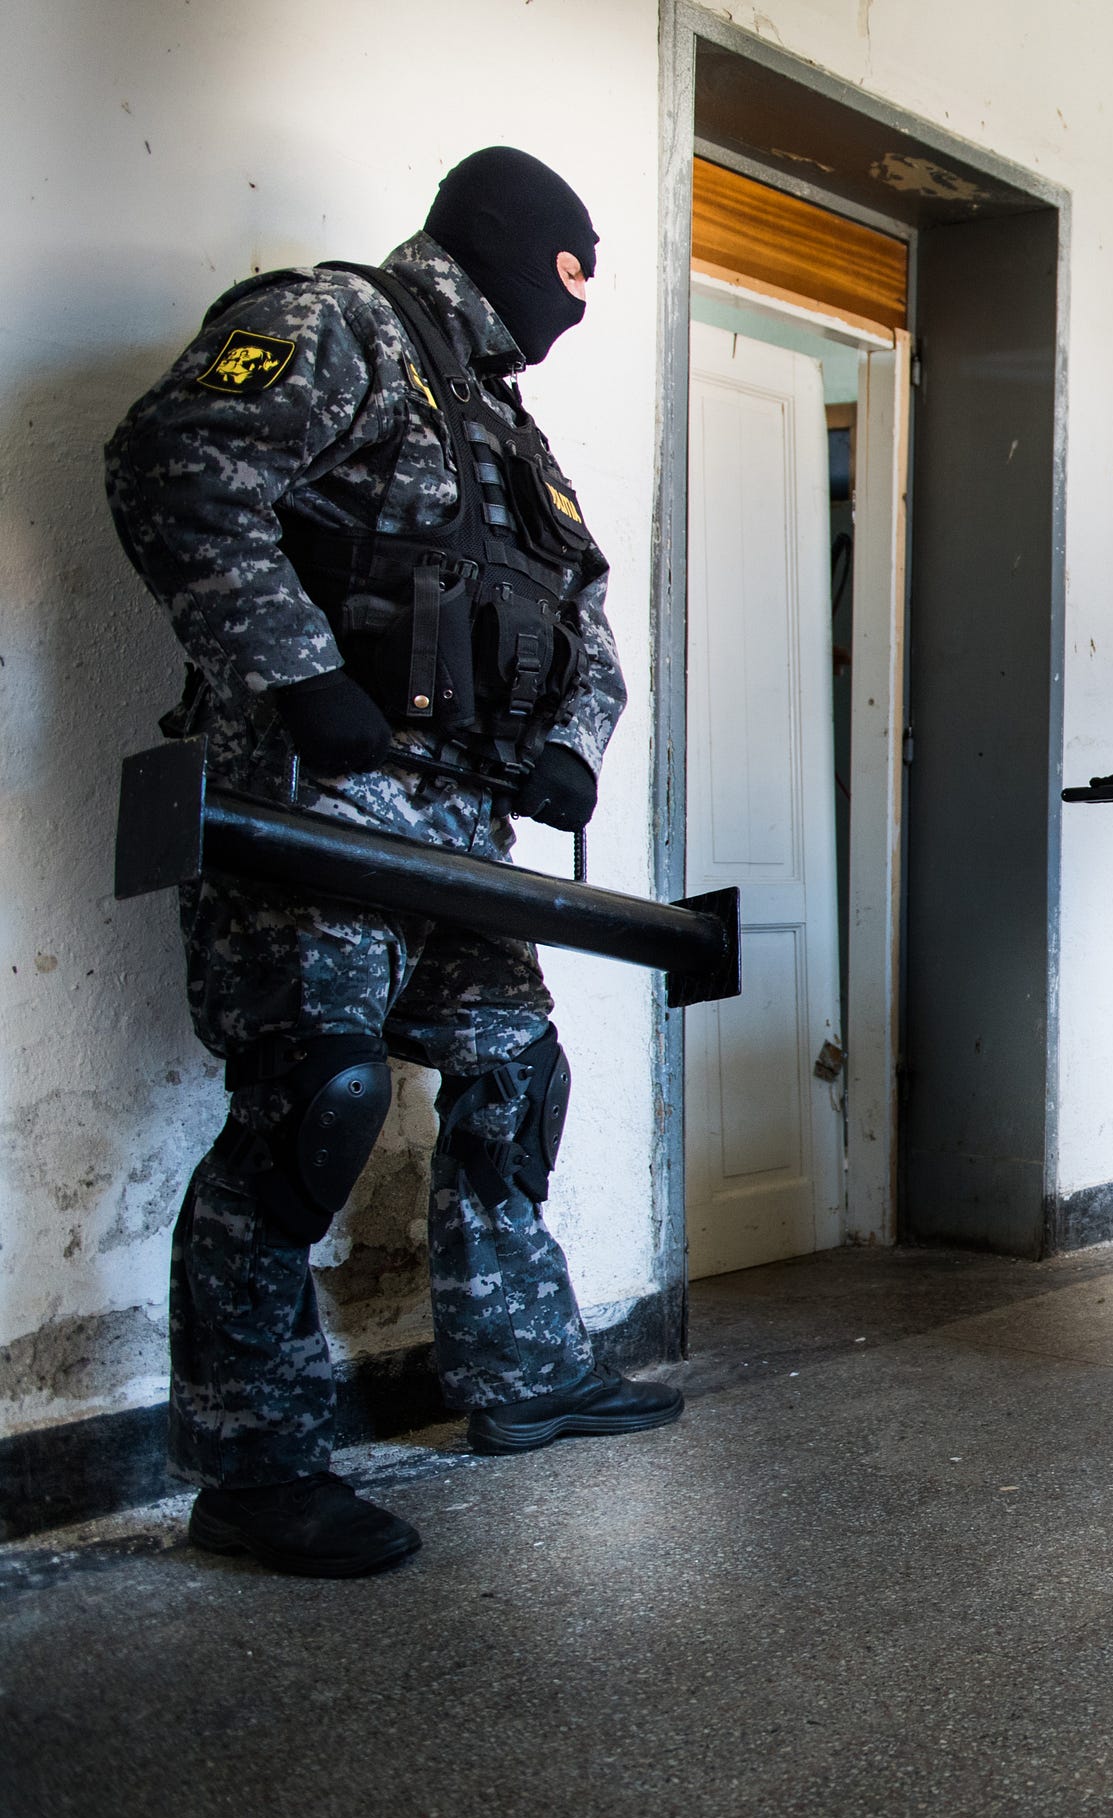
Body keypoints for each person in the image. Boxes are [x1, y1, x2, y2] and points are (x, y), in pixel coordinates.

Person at [104, 148, 679, 1579]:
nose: (578, 301)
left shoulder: (510, 434)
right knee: (314, 1106)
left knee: (514, 1075)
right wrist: (298, 676)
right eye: (571, 268)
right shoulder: (337, 325)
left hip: (462, 836)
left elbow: (589, 621)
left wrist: (574, 744)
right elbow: (173, 464)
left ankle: (526, 1373)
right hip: (315, 806)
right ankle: (257, 1469)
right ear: (509, 241)